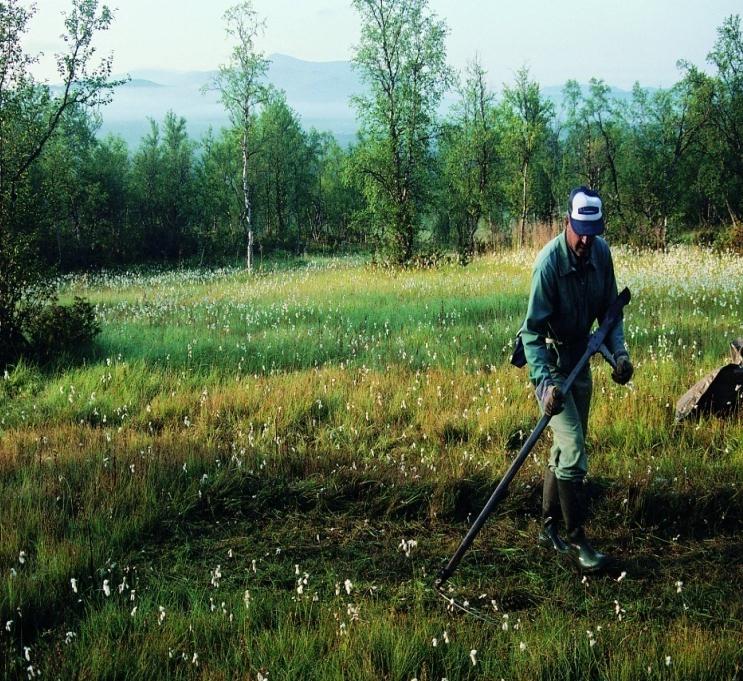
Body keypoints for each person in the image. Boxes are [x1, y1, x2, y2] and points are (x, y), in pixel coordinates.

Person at [519, 186, 633, 572]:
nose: (586, 239)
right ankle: (577, 538)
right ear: (566, 221)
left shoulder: (601, 254)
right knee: (574, 452)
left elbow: (610, 316)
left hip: (581, 360)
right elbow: (530, 333)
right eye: (580, 229)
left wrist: (619, 355)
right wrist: (546, 384)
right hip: (551, 365)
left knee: (566, 449)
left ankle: (548, 527)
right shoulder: (548, 264)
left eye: (593, 231)